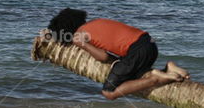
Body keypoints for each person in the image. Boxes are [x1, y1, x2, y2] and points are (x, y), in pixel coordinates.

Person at [45, 8, 188, 100]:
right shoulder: (97, 22)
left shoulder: (79, 35)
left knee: (109, 93)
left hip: (137, 49)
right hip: (149, 44)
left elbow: (103, 57)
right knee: (133, 75)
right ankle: (168, 67)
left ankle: (156, 79)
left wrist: (82, 44)